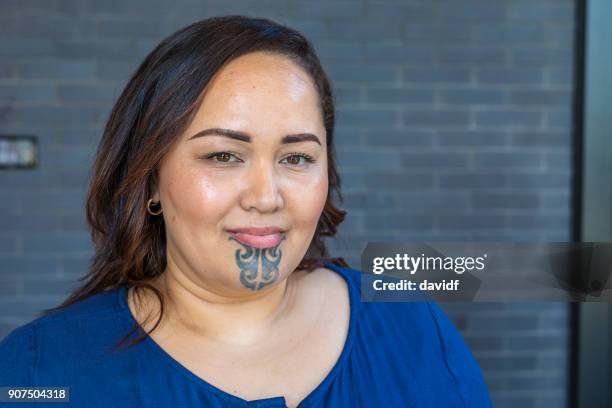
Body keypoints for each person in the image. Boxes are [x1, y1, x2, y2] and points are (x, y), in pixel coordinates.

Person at [0, 15, 492, 407]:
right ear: (150, 177)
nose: (266, 195)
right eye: (223, 156)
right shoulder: (40, 371)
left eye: (296, 158)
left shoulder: (409, 319)